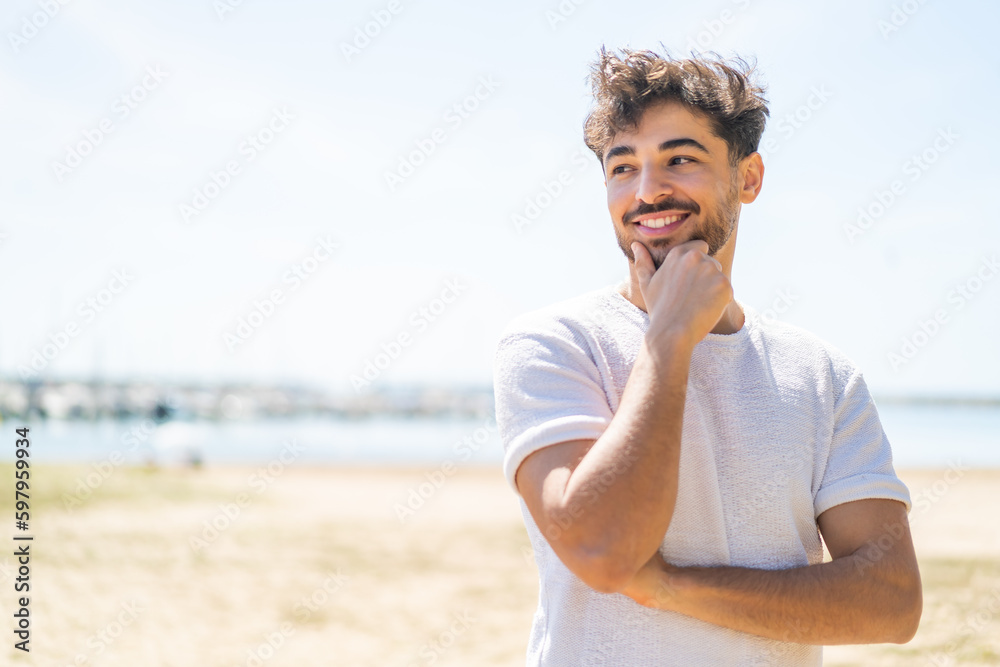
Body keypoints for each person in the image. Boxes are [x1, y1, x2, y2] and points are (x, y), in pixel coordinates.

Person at [492, 47, 922, 666]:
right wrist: (668, 338)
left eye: (680, 159)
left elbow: (891, 602)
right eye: (622, 168)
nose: (647, 191)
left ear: (747, 178)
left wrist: (671, 587)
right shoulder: (553, 343)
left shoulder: (823, 375)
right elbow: (606, 552)